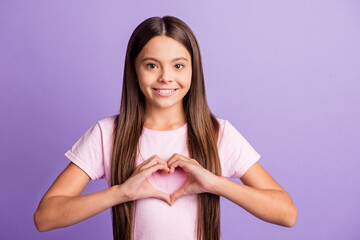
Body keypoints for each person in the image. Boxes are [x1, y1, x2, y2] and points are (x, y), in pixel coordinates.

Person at [34, 16, 297, 240]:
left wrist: (215, 183)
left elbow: (286, 214)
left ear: (194, 71)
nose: (166, 77)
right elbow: (45, 217)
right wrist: (121, 192)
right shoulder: (107, 133)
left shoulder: (218, 133)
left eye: (178, 65)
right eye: (151, 65)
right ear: (134, 72)